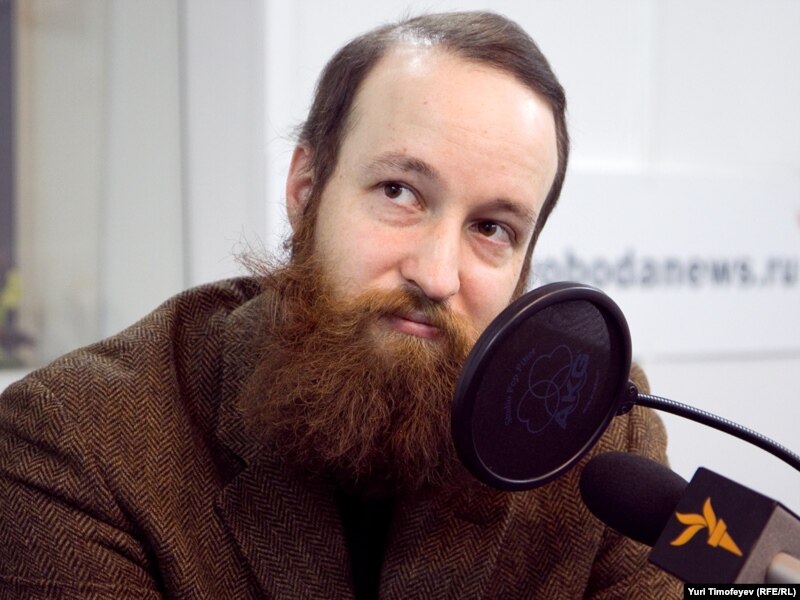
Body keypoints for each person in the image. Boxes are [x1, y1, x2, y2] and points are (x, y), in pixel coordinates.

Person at [0, 11, 681, 599]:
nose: (436, 275)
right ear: (306, 189)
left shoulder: (597, 431)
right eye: (398, 192)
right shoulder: (76, 441)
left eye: (492, 228)